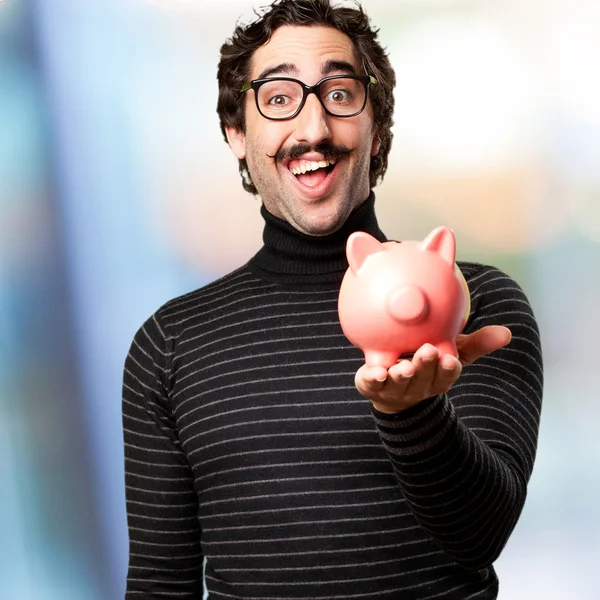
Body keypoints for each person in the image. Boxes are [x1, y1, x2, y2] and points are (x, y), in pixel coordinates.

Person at [122, 0, 543, 598]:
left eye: (340, 94)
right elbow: (160, 585)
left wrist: (414, 412)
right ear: (237, 134)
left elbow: (482, 536)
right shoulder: (171, 343)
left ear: (377, 131)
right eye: (277, 97)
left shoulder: (467, 303)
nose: (314, 128)